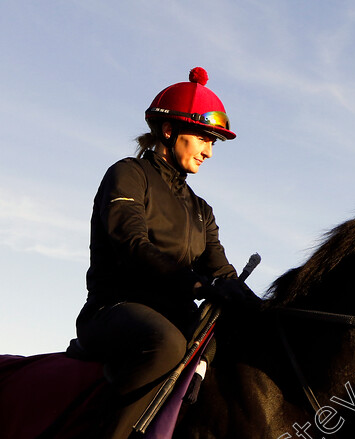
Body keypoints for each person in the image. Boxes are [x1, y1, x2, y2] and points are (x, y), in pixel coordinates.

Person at [72, 67, 256, 439]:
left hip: (176, 317)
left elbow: (224, 274)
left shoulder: (201, 209)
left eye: (214, 143)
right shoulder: (128, 174)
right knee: (167, 344)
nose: (208, 151)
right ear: (169, 131)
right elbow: (131, 246)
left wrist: (262, 310)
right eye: (204, 138)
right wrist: (197, 284)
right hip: (113, 311)